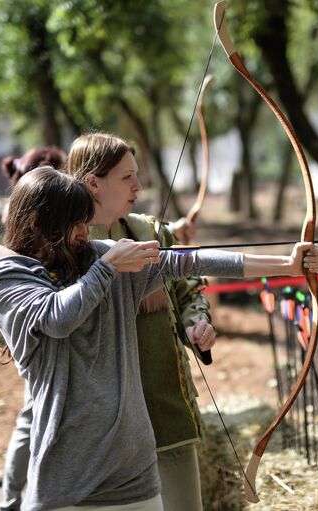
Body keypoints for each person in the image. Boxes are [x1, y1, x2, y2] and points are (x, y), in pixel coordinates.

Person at [0, 167, 318, 510]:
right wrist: (108, 267)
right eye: (76, 224)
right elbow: (56, 318)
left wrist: (286, 265)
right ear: (39, 223)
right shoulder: (9, 273)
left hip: (133, 474)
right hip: (67, 480)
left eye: (87, 222)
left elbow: (188, 261)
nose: (85, 233)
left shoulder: (97, 257)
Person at [66, 133, 212, 511]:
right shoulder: (61, 246)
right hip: (102, 424)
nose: (138, 186)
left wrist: (196, 326)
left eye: (138, 175)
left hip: (163, 406)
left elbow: (187, 291)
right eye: (126, 177)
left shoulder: (151, 232)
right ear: (92, 182)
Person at [0, 146, 67, 511]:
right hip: (30, 332)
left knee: (33, 414)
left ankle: (16, 499)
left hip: (34, 328)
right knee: (32, 416)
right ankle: (14, 500)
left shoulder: (24, 212)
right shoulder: (16, 222)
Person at [0, 146, 67, 254]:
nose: (68, 178)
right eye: (63, 171)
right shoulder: (29, 215)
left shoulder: (13, 208)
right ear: (42, 177)